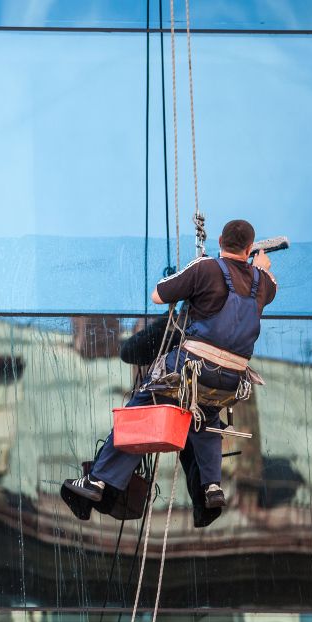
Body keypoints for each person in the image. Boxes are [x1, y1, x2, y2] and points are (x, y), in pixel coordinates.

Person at [64, 219, 276, 513]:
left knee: (140, 411)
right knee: (207, 419)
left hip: (193, 366)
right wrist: (261, 266)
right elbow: (265, 282)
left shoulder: (205, 268)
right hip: (230, 379)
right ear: (250, 248)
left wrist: (194, 273)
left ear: (219, 240)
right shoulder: (262, 282)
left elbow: (158, 295)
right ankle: (212, 486)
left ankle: (98, 481)